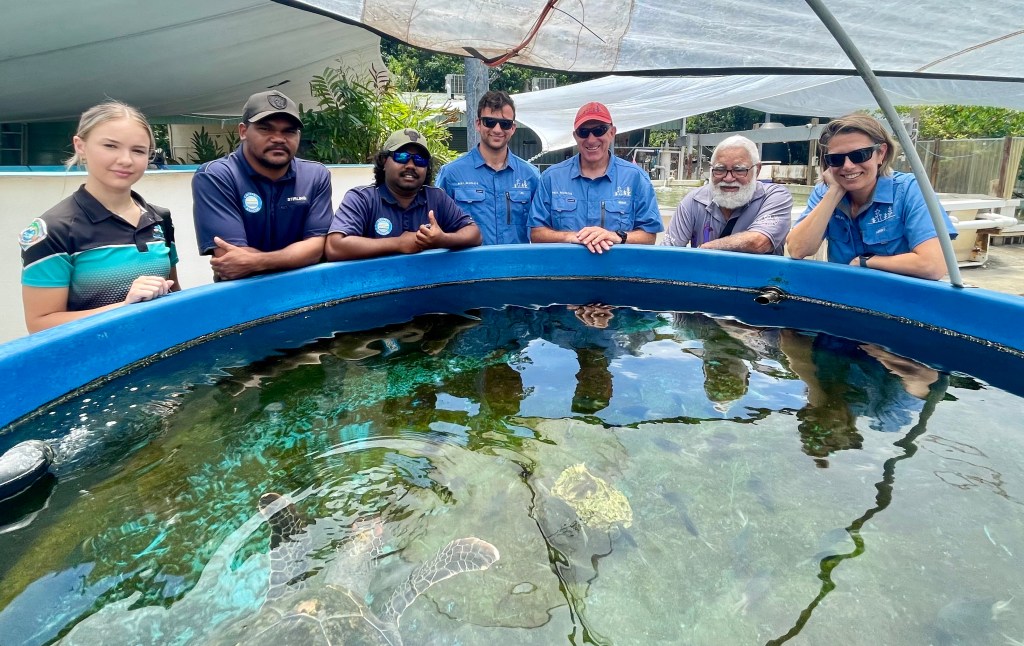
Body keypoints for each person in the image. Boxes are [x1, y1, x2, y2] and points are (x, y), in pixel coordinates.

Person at [19, 101, 178, 333]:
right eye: (110, 146)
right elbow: (39, 325)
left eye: (138, 150)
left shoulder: (159, 218)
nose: (126, 160)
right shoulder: (54, 230)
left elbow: (174, 296)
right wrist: (124, 307)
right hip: (96, 356)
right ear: (80, 146)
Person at [787, 113, 956, 280]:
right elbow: (797, 249)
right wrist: (834, 193)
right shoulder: (825, 193)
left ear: (881, 153)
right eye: (836, 159)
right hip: (844, 292)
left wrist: (866, 261)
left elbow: (933, 265)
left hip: (899, 294)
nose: (848, 166)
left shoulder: (910, 189)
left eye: (859, 155)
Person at [192, 91, 332, 281]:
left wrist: (258, 261)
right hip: (243, 293)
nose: (278, 138)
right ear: (243, 131)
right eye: (265, 129)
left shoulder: (315, 175)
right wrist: (296, 256)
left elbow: (316, 248)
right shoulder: (216, 176)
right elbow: (230, 257)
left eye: (289, 131)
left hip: (305, 289)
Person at [325, 129, 481, 261]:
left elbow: (474, 234)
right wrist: (399, 243)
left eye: (420, 160)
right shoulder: (362, 199)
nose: (411, 165)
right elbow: (334, 247)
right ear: (384, 161)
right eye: (402, 157)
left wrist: (443, 239)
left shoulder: (436, 198)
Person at [529, 102, 663, 253]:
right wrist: (571, 237)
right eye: (583, 132)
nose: (591, 139)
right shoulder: (551, 178)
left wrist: (616, 236)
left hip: (617, 267)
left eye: (599, 130)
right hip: (566, 267)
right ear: (575, 136)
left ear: (612, 132)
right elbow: (536, 233)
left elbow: (649, 235)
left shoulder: (636, 178)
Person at [435, 91, 540, 244]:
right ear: (478, 124)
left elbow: (540, 228)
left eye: (505, 124)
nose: (497, 129)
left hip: (516, 260)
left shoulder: (531, 176)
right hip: (469, 260)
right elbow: (436, 227)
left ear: (513, 128)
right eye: (489, 122)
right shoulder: (451, 174)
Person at [661, 135, 792, 254]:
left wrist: (706, 248)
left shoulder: (774, 197)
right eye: (720, 169)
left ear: (757, 170)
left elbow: (759, 242)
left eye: (739, 170)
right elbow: (667, 252)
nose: (728, 178)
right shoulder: (694, 201)